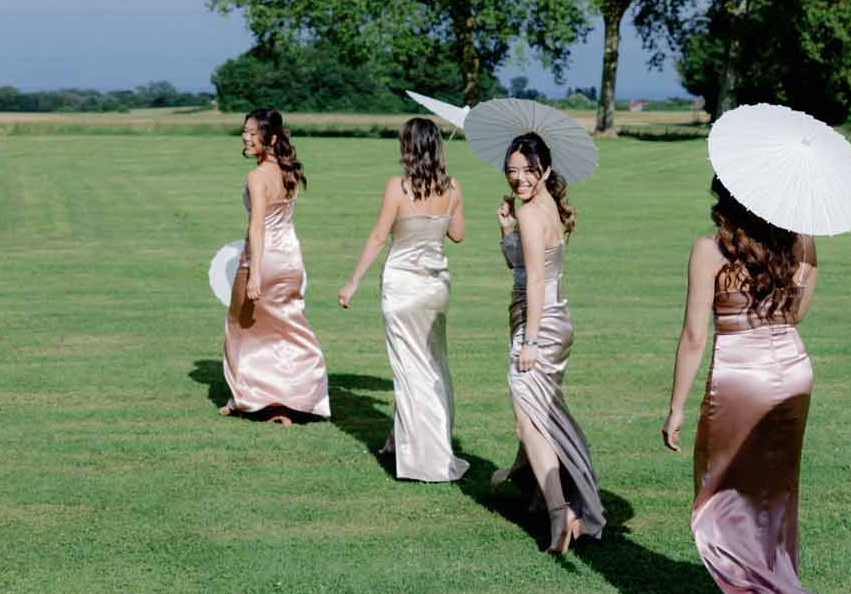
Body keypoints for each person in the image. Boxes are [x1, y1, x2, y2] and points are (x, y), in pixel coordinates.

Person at [662, 177, 838, 594]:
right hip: (794, 372)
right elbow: (796, 313)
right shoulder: (800, 242)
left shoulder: (711, 249)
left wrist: (677, 406)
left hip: (742, 376)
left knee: (718, 499)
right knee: (773, 496)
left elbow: (695, 335)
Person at [337, 117, 468, 481]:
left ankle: (425, 459)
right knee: (431, 364)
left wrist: (352, 282)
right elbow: (457, 235)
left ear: (408, 148)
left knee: (409, 369)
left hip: (401, 288)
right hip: (435, 288)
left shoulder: (398, 187)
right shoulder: (453, 188)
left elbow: (379, 237)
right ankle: (400, 442)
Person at [491, 133, 603, 553]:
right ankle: (542, 494)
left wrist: (530, 342)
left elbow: (535, 279)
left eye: (528, 171)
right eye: (512, 171)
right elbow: (522, 265)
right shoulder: (544, 207)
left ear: (546, 171)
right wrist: (506, 231)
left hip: (540, 324)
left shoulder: (531, 215)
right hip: (555, 318)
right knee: (541, 412)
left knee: (530, 419)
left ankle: (562, 513)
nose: (519, 178)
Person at [221, 109, 330, 424]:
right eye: (244, 131)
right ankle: (296, 396)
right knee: (287, 326)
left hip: (263, 257)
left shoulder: (256, 177)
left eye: (252, 133)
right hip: (290, 257)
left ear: (269, 138)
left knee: (240, 325)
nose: (245, 137)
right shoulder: (289, 171)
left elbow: (257, 226)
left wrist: (254, 272)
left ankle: (247, 397)